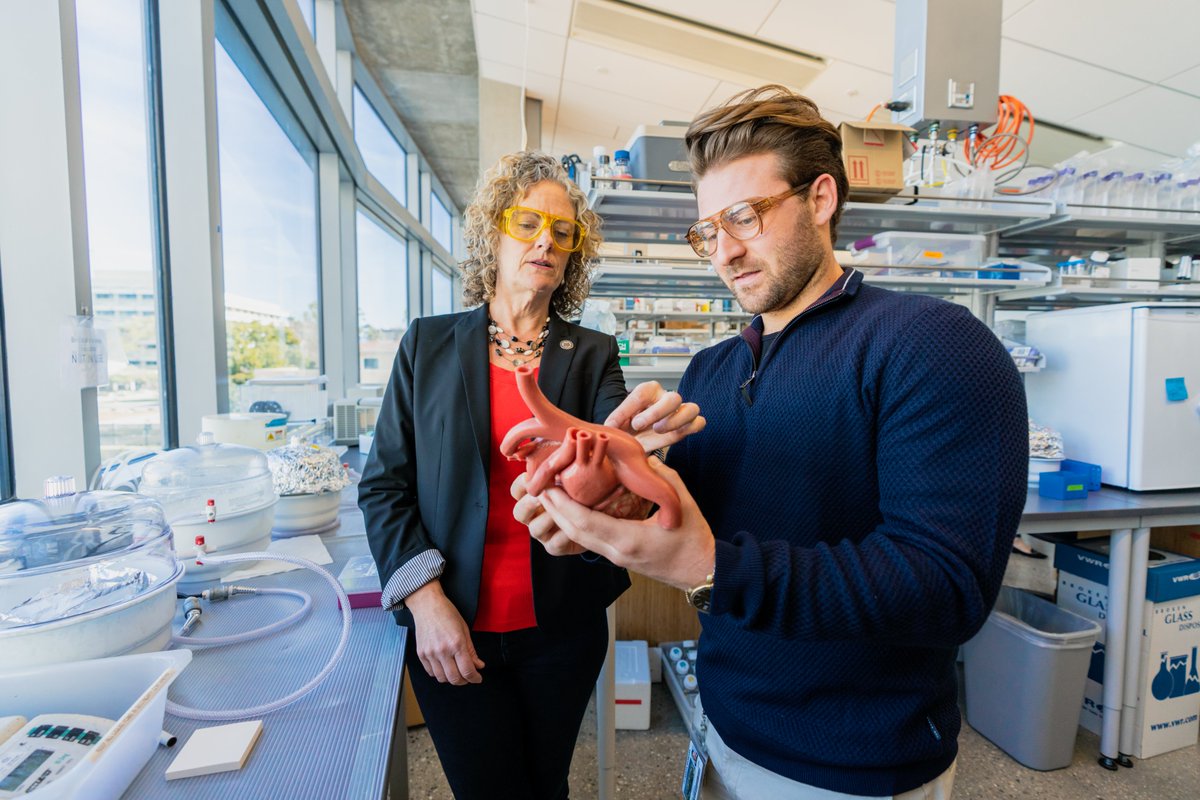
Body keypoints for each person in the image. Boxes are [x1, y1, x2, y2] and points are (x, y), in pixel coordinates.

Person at [514, 87, 1028, 799]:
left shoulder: (930, 345)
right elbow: (707, 523)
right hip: (723, 725)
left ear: (820, 199)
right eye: (707, 230)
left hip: (852, 765)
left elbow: (946, 589)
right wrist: (608, 499)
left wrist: (708, 565)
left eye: (744, 217)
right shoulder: (712, 370)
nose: (723, 251)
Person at [358, 150, 703, 800]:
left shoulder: (592, 353)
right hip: (452, 622)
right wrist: (425, 604)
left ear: (573, 254)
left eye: (563, 231)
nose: (546, 239)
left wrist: (634, 457)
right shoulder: (427, 345)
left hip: (561, 625)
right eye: (527, 223)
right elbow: (383, 485)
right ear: (495, 232)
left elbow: (612, 454)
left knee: (545, 785)